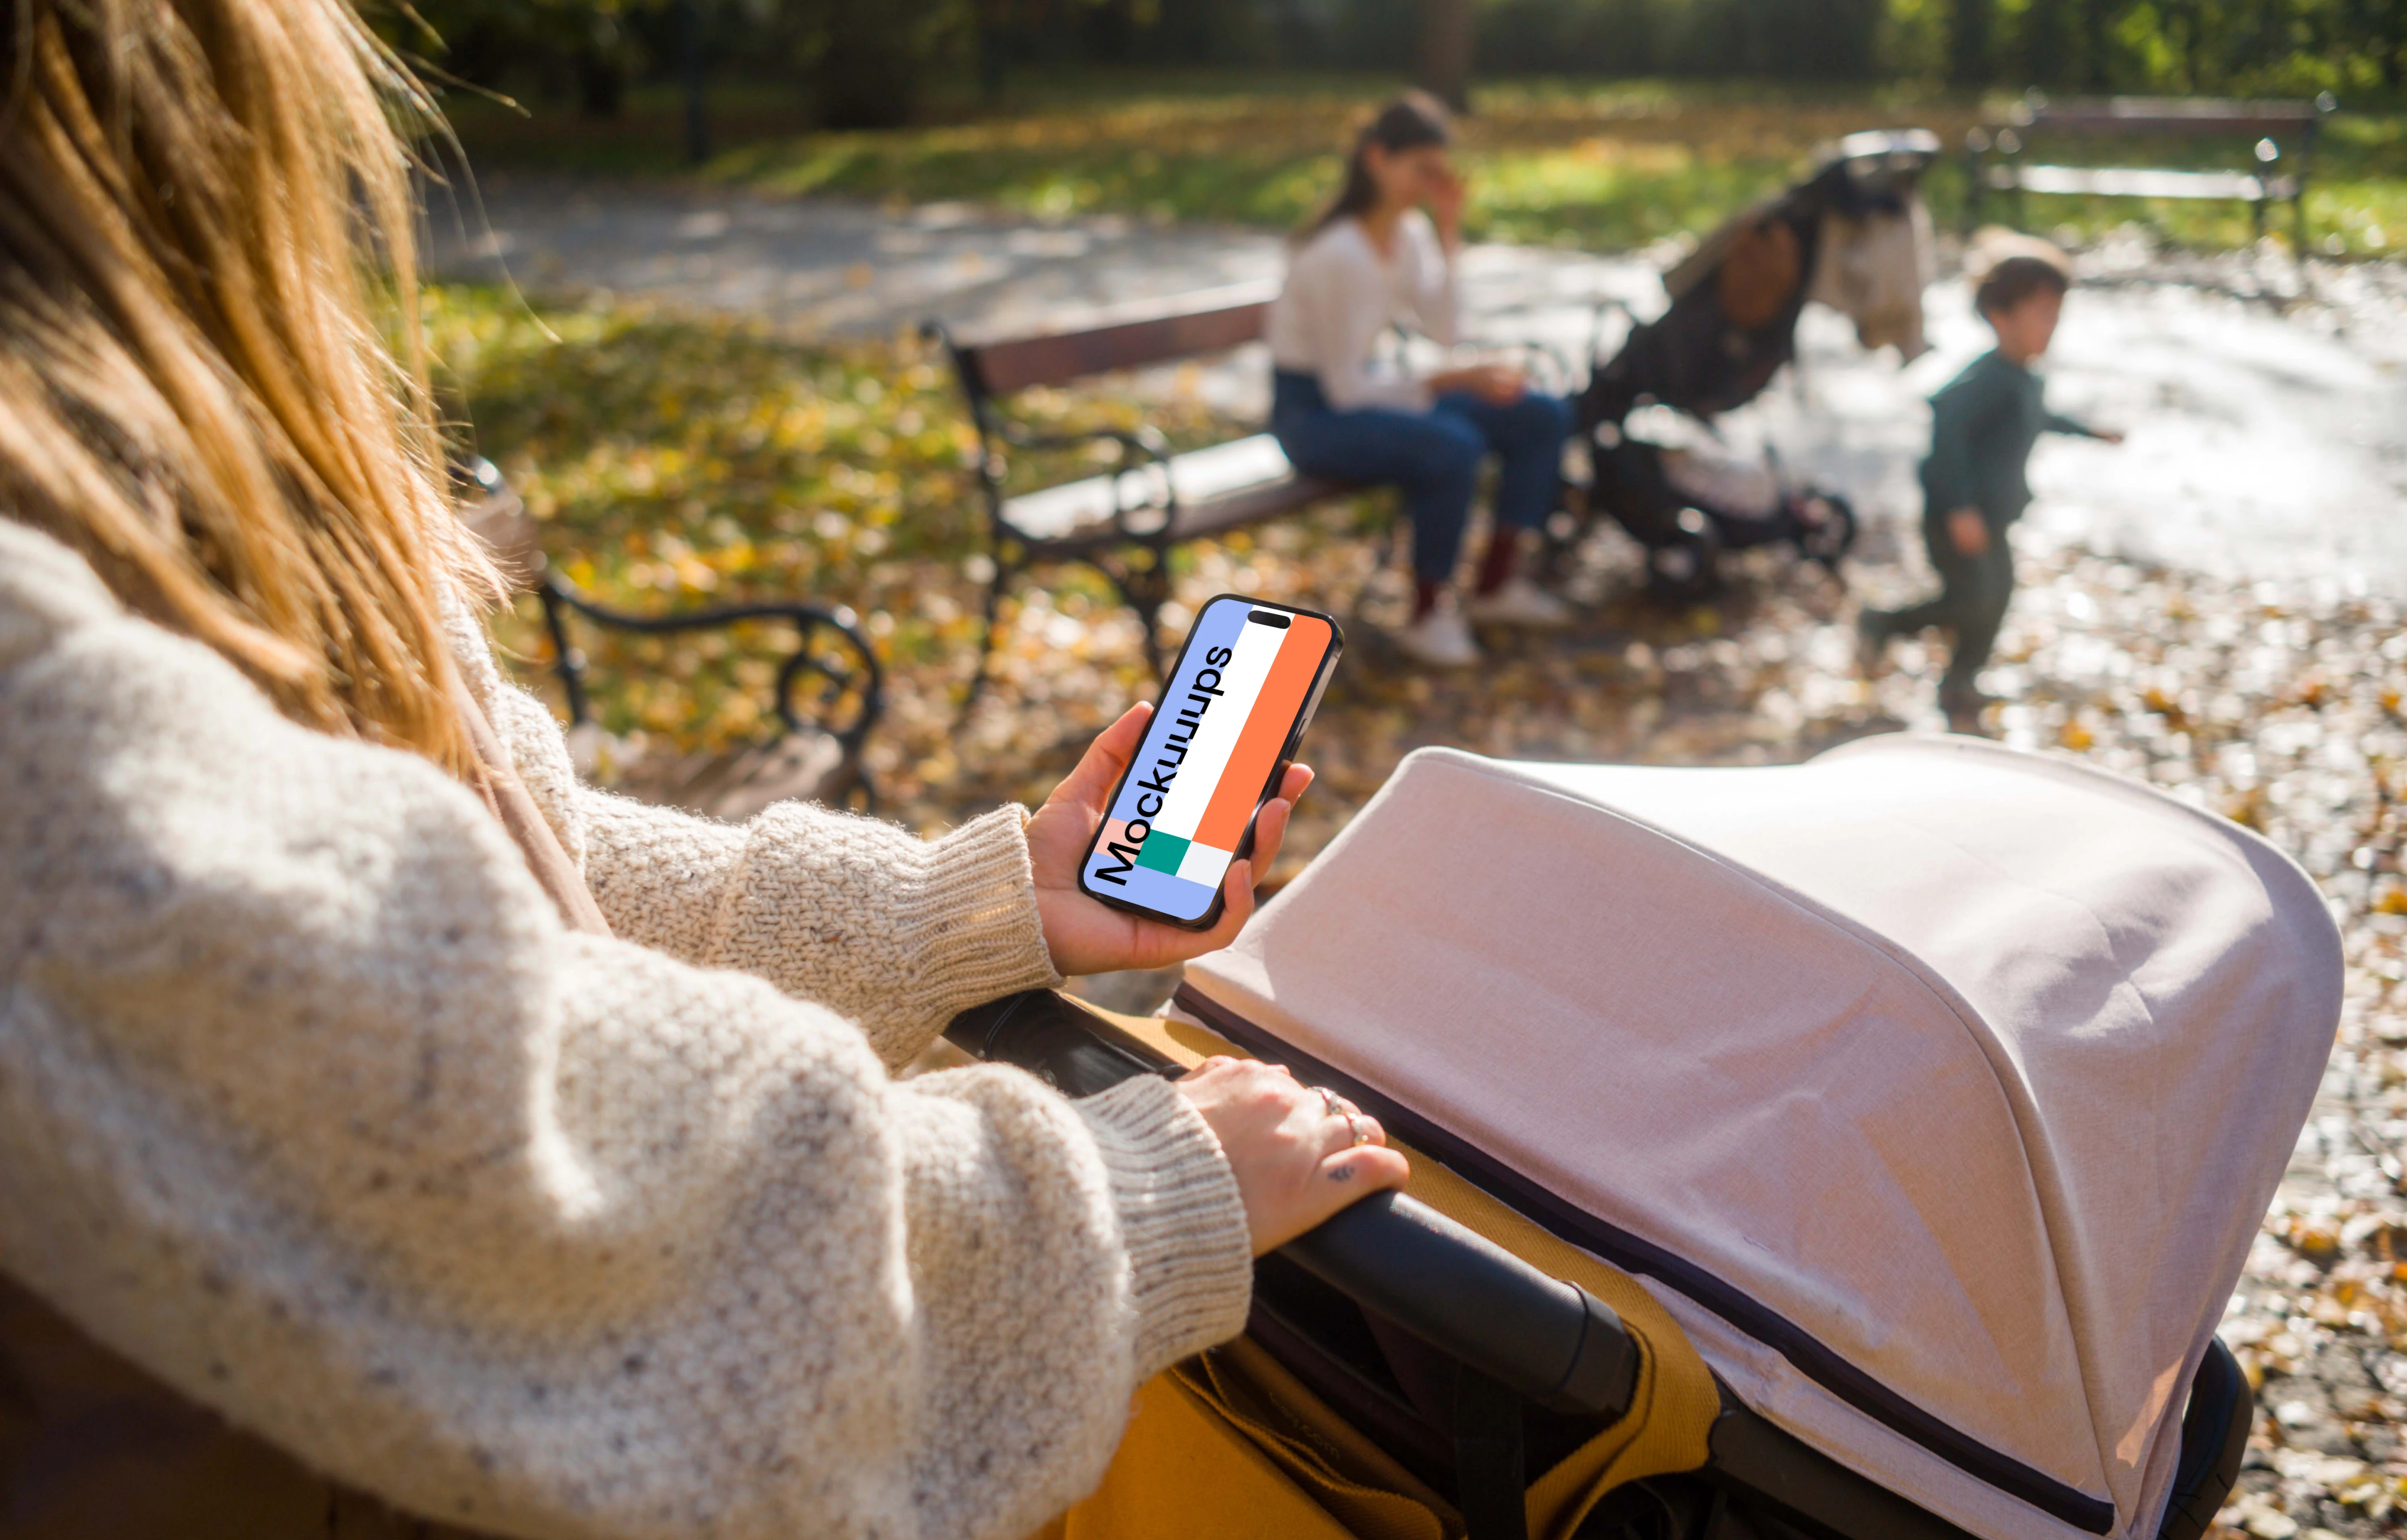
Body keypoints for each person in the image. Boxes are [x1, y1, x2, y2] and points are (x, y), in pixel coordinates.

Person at [0, 4, 1408, 1539]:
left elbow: (511, 879)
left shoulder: (144, 502)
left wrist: (969, 903)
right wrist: (1129, 1201)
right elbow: (548, 1194)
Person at [1266, 92, 1575, 669]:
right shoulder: (1337, 254)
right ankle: (1429, 612)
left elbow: (1445, 328)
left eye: (1439, 171)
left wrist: (1449, 228)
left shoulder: (1407, 234)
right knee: (1451, 444)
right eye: (1420, 170)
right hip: (1312, 417)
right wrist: (1450, 381)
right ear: (1376, 159)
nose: (1429, 184)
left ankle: (1496, 585)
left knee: (1538, 412)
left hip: (1369, 390)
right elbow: (1346, 390)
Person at [1858, 233, 2122, 731]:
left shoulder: (2023, 377)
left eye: (2056, 315)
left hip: (1990, 518)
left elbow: (2036, 416)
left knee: (1996, 597)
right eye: (2042, 315)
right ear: (2001, 315)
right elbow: (1945, 423)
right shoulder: (1987, 378)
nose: (2052, 327)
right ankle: (1885, 621)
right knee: (1971, 597)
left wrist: (2089, 430)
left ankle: (1961, 678)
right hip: (1955, 517)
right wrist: (1958, 508)